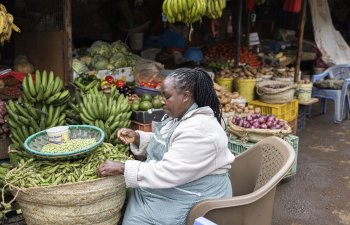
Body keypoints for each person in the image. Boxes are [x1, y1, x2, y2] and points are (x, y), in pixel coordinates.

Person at [97, 68, 235, 225]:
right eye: (161, 95)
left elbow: (169, 171)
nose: (162, 100)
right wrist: (138, 138)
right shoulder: (179, 117)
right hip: (177, 186)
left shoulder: (199, 130)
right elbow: (170, 143)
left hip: (193, 197)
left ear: (186, 96)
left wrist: (123, 167)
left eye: (167, 96)